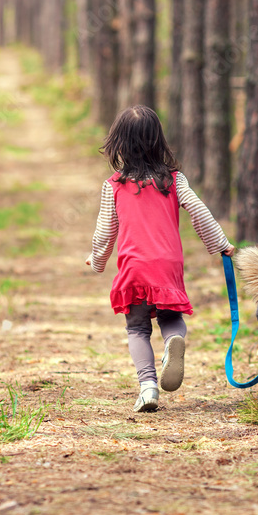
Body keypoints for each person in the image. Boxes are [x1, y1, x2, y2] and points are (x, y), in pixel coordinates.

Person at [86, 105, 235, 412]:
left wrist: (97, 260)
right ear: (158, 141)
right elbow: (199, 211)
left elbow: (104, 232)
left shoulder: (114, 185)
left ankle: (148, 386)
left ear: (119, 144)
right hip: (168, 266)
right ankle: (173, 343)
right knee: (170, 317)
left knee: (138, 328)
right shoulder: (173, 181)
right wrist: (221, 244)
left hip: (134, 268)